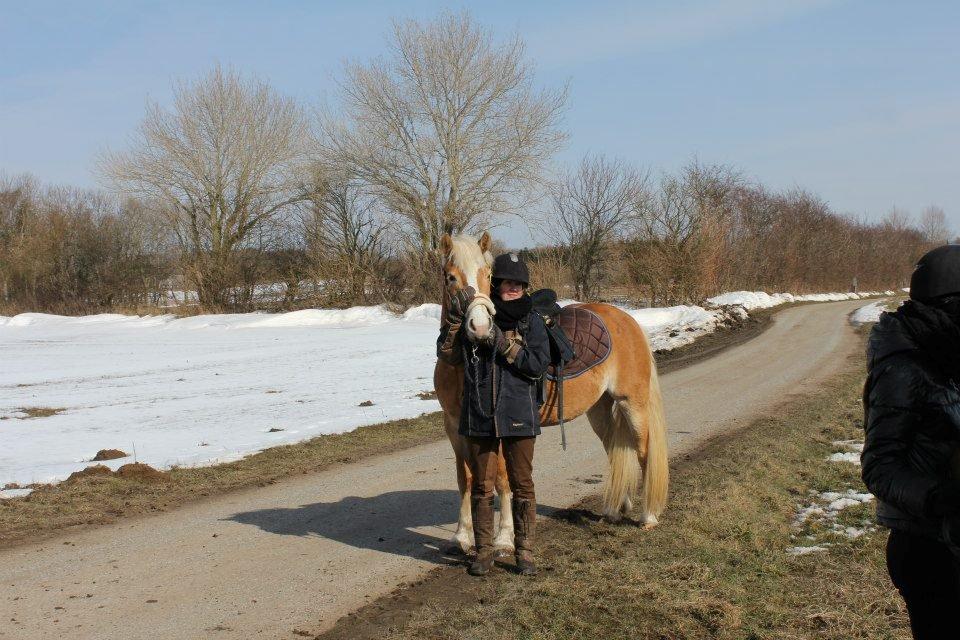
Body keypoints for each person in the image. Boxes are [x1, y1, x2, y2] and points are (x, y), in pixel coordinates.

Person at [862, 244, 960, 639]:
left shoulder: (949, 353)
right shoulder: (905, 365)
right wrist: (941, 498)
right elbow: (879, 466)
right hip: (929, 550)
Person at [437, 251, 552, 576]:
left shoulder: (531, 322)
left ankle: (524, 551)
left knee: (522, 485)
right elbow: (447, 355)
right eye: (506, 283)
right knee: (482, 485)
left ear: (525, 286)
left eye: (518, 283)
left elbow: (536, 364)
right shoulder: (477, 318)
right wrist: (457, 321)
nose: (512, 288)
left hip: (519, 416)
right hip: (482, 417)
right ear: (495, 285)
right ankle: (484, 552)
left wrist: (502, 343)